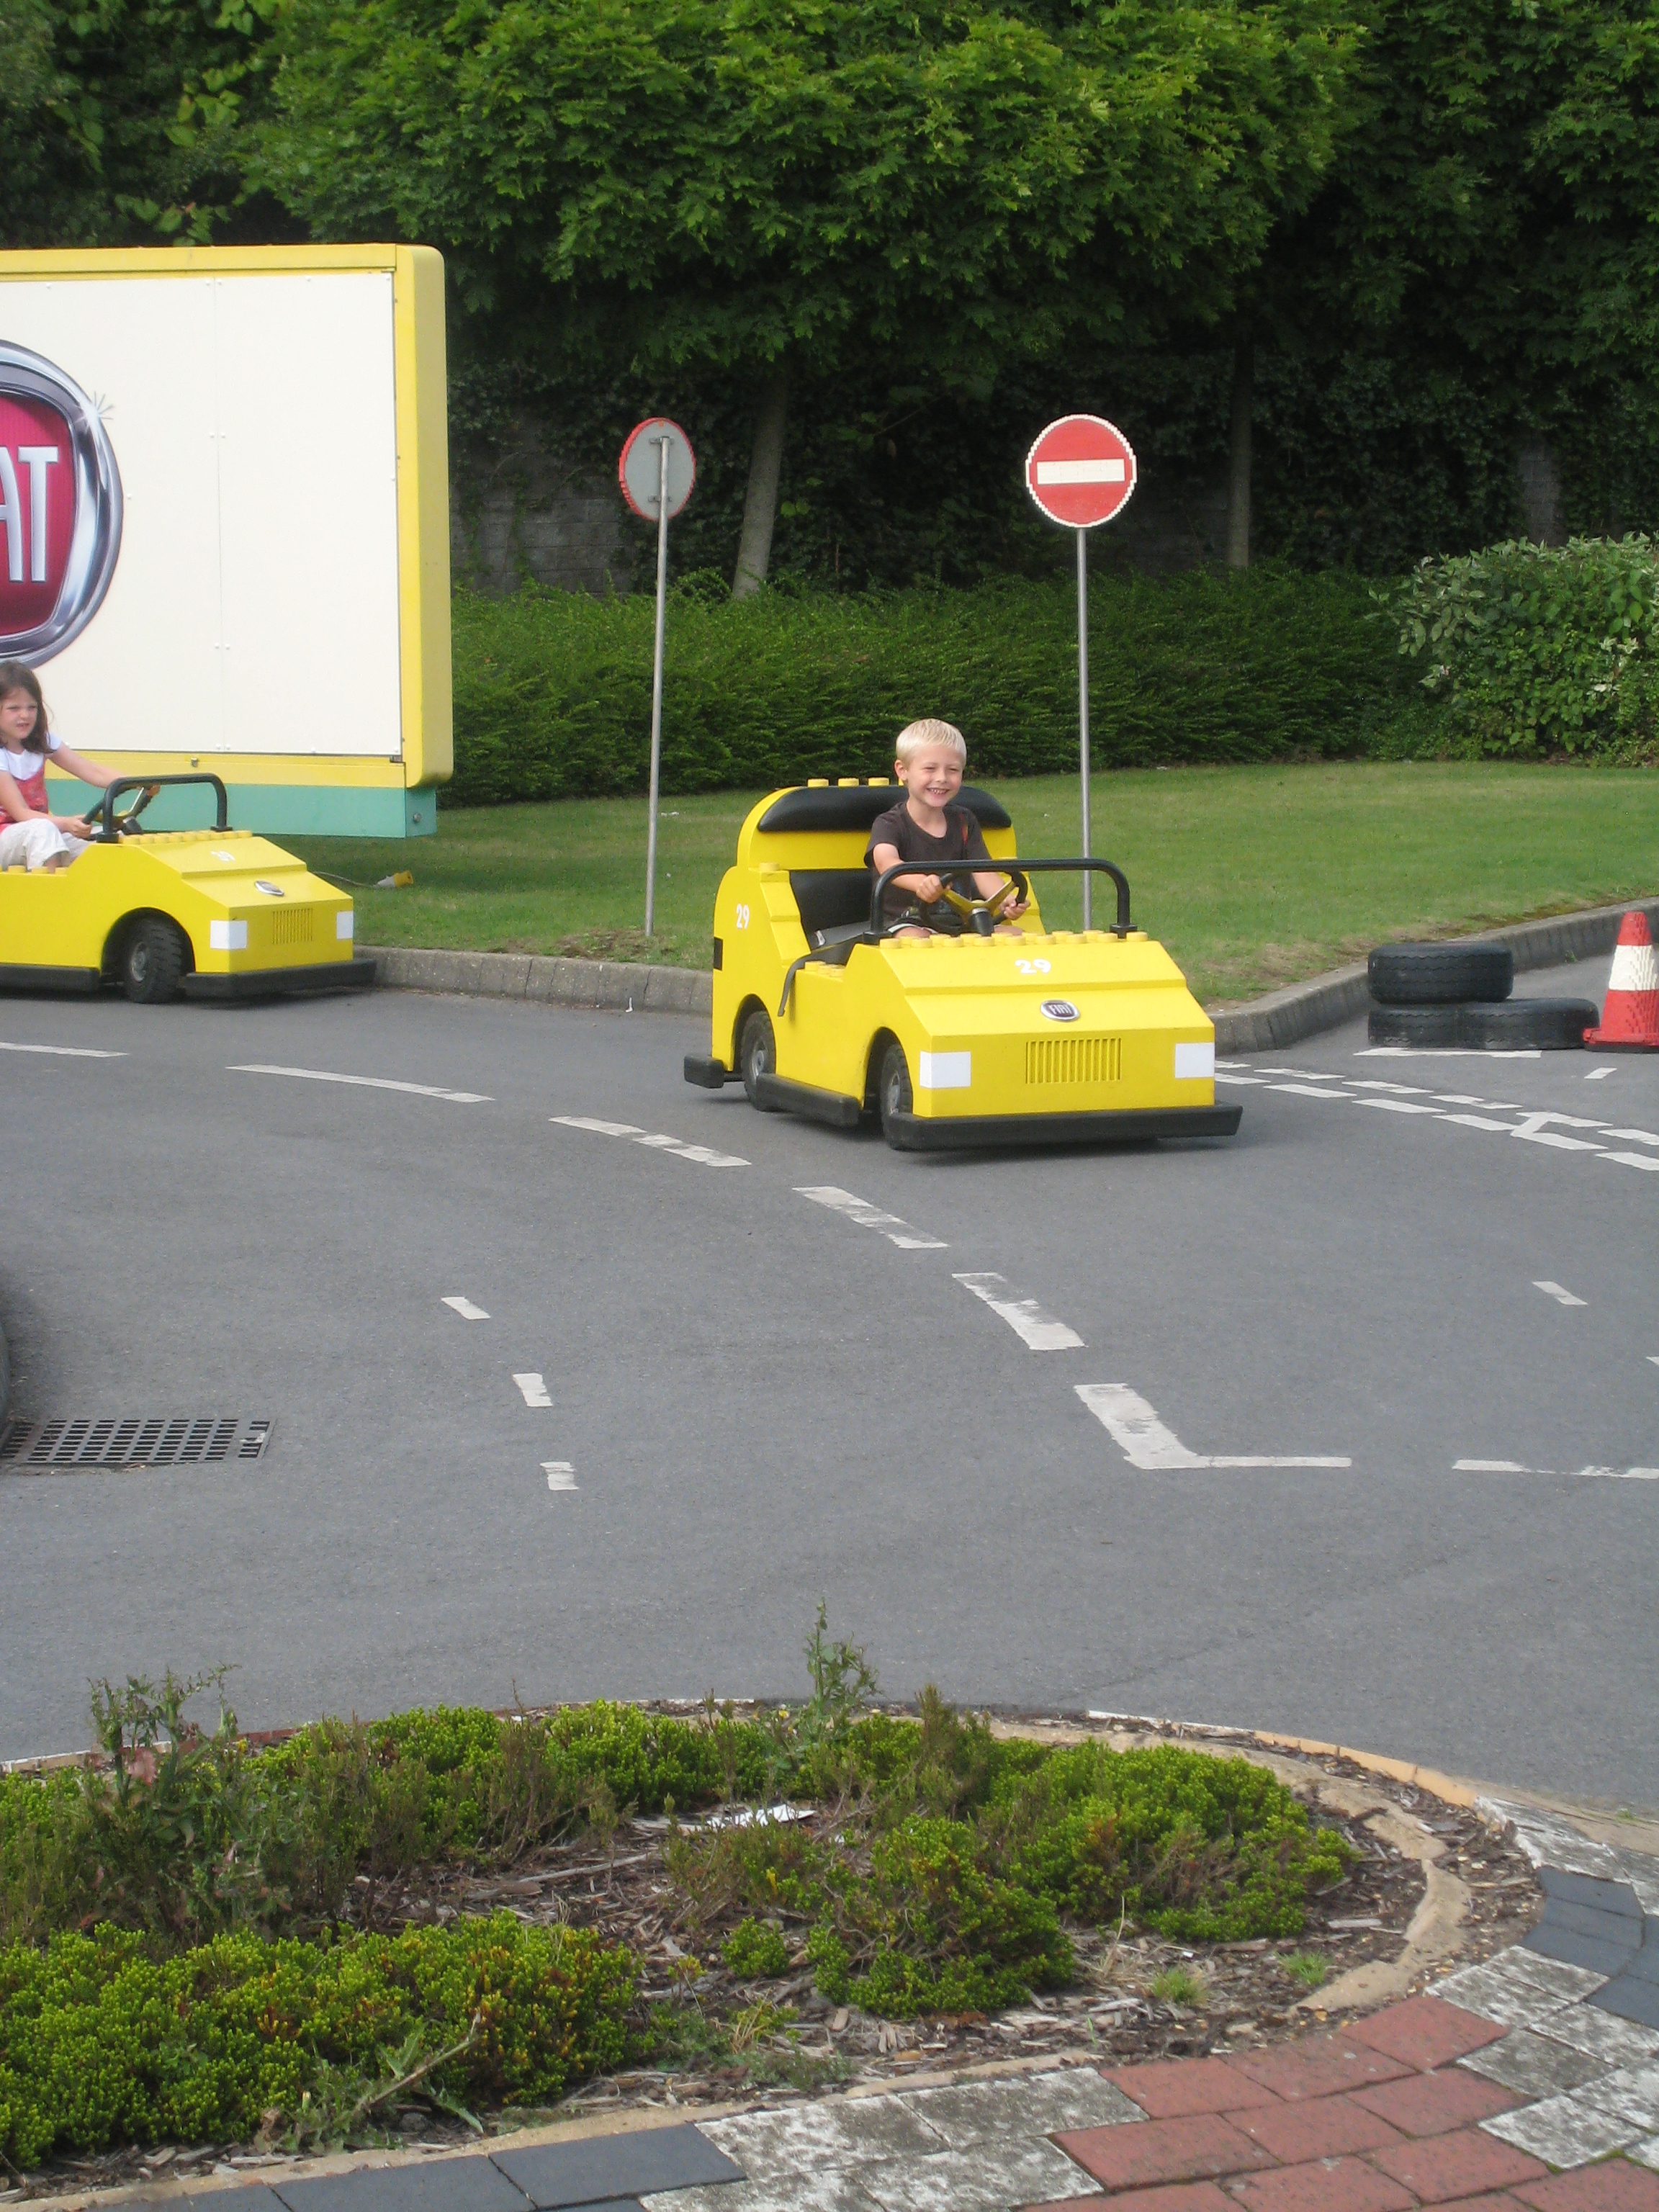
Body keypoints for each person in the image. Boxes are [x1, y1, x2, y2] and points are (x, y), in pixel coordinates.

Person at [866, 718, 1027, 937]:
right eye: (930, 769)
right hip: (904, 923)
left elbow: (984, 872)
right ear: (902, 770)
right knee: (917, 940)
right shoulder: (889, 823)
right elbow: (886, 863)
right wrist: (921, 883)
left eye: (952, 770)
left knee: (1015, 935)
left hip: (960, 923)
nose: (942, 778)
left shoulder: (964, 822)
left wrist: (1004, 899)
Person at [0, 661, 124, 872]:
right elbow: (21, 813)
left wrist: (134, 783)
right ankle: (48, 891)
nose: (25, 715)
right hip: (8, 836)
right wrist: (66, 824)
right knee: (43, 832)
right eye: (14, 708)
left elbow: (92, 771)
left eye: (32, 707)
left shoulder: (43, 743)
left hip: (40, 831)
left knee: (110, 842)